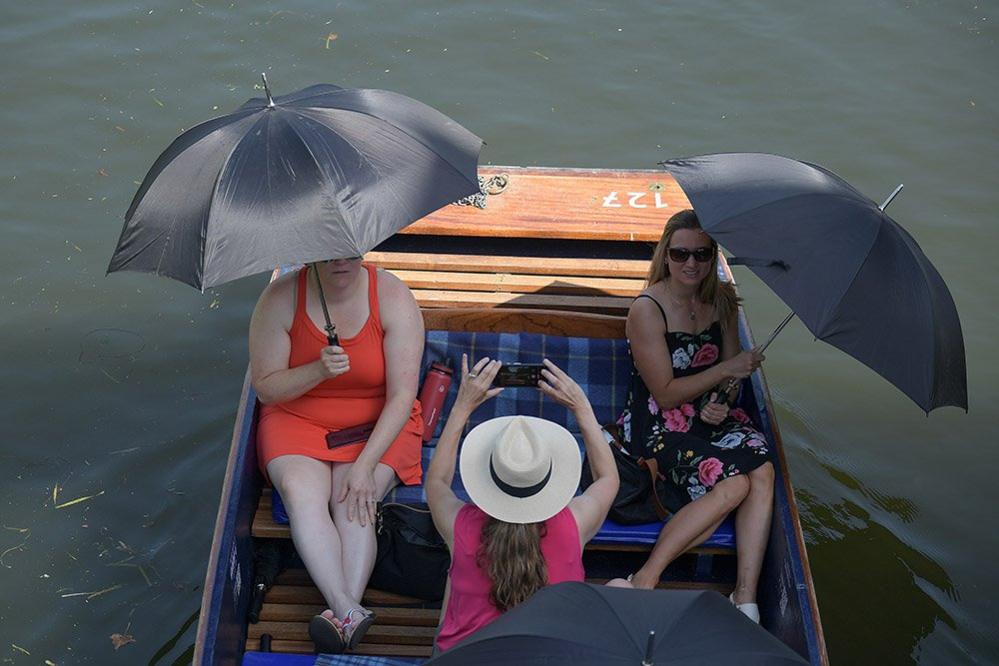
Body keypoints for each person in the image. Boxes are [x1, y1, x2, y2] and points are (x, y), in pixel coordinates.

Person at [248, 258, 425, 652]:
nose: (341, 260)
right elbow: (266, 390)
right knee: (299, 493)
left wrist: (364, 466)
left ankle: (343, 613)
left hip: (377, 422)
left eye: (350, 249)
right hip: (297, 416)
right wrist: (318, 371)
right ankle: (348, 608)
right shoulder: (279, 298)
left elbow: (402, 396)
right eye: (329, 251)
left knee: (352, 498)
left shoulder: (393, 295)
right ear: (311, 253)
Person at [618, 209, 774, 622]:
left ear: (712, 256)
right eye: (681, 253)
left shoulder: (721, 302)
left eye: (702, 254)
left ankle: (745, 596)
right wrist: (727, 369)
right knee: (734, 484)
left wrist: (727, 391)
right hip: (658, 425)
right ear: (665, 256)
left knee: (764, 468)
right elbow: (665, 395)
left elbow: (728, 382)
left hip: (708, 416)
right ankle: (646, 577)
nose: (692, 263)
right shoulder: (648, 310)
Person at [426, 356, 626, 653]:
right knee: (622, 588)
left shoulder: (460, 525)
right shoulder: (574, 522)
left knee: (453, 574)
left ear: (490, 476)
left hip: (467, 658)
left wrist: (461, 407)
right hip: (552, 658)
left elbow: (438, 481)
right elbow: (608, 478)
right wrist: (581, 408)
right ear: (548, 478)